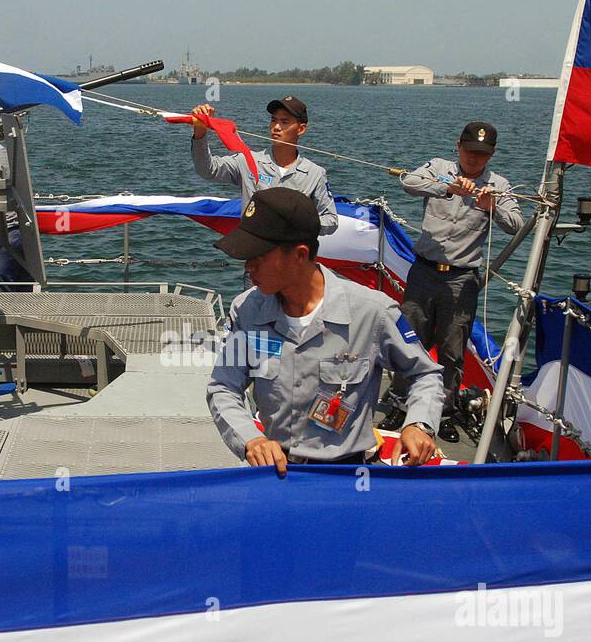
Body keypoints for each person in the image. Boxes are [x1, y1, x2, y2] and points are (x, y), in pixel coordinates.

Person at [207, 187, 442, 475]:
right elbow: (223, 387)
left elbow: (425, 374)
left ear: (299, 255)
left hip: (346, 475)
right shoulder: (246, 310)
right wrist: (251, 439)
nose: (248, 267)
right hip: (275, 471)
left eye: (258, 257)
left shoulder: (373, 312)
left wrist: (419, 424)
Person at [393, 121, 523, 442]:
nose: (474, 159)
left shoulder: (499, 185)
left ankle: (443, 411)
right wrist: (447, 187)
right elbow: (408, 182)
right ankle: (401, 402)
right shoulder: (439, 168)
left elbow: (517, 224)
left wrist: (494, 207)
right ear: (458, 146)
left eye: (482, 154)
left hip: (461, 280)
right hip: (423, 273)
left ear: (490, 156)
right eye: (469, 151)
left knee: (452, 351)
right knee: (410, 340)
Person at [189, 96, 338, 235]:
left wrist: (297, 223)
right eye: (274, 120)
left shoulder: (315, 173)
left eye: (284, 122)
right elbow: (207, 170)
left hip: (292, 259)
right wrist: (200, 132)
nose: (276, 127)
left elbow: (331, 220)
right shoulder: (247, 161)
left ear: (301, 129)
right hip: (257, 256)